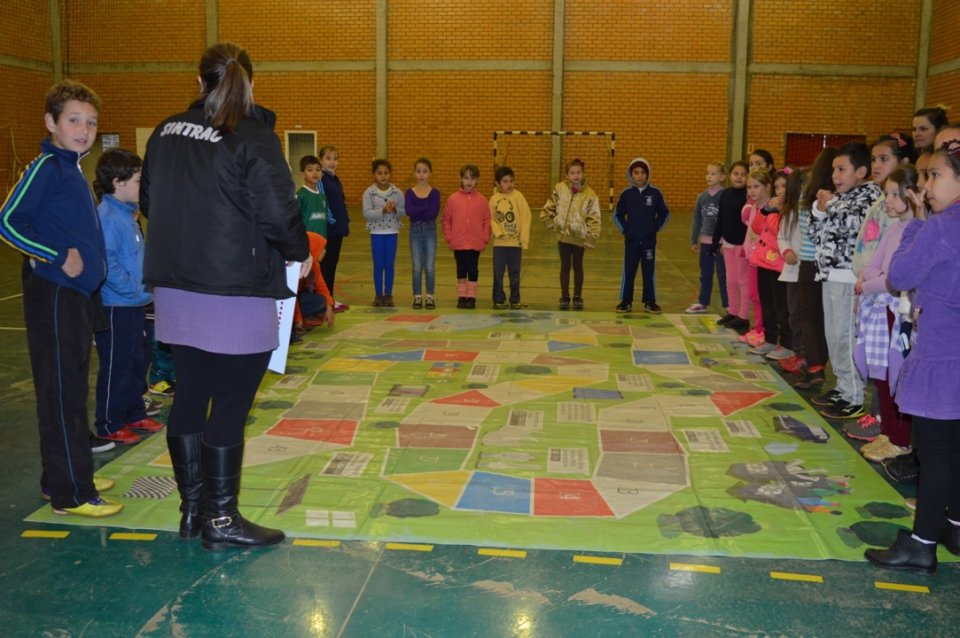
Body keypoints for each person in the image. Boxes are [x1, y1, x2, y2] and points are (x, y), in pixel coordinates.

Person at [141, 42, 311, 549]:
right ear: (250, 84)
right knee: (232, 403)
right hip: (235, 288)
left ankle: (193, 510)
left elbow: (149, 199)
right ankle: (221, 520)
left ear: (198, 83)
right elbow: (278, 211)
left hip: (176, 287)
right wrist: (299, 252)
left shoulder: (165, 132)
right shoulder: (252, 135)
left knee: (191, 394)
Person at [0, 80, 121, 517]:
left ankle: (61, 477)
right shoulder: (48, 167)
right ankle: (73, 493)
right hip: (54, 295)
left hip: (76, 297)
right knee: (62, 393)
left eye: (91, 122)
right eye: (74, 120)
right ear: (51, 122)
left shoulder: (71, 168)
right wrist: (55, 256)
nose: (84, 129)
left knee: (68, 389)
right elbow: (8, 221)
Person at [864, 142, 960, 575]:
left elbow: (900, 275)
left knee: (935, 453)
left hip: (941, 355)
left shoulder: (940, 227)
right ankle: (955, 525)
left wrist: (918, 223)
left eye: (935, 175)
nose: (925, 185)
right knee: (955, 449)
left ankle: (921, 545)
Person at [92, 149, 165, 446]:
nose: (142, 186)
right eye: (138, 180)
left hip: (136, 303)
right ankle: (109, 423)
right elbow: (107, 263)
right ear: (117, 182)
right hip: (116, 306)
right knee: (117, 366)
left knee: (138, 361)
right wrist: (133, 288)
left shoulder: (126, 215)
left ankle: (134, 413)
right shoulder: (108, 217)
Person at [847, 166, 918, 461]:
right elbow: (874, 266)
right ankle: (888, 433)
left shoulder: (917, 229)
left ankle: (900, 439)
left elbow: (894, 279)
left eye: (893, 195)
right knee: (881, 375)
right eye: (886, 193)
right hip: (881, 309)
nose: (886, 200)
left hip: (898, 311)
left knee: (896, 375)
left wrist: (868, 285)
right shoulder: (893, 228)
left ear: (911, 196)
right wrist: (870, 280)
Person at [809, 142, 883, 420]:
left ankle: (854, 396)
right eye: (834, 170)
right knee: (833, 337)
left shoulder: (870, 195)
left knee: (846, 338)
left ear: (861, 172)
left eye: (842, 170)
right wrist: (819, 211)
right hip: (829, 275)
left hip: (849, 277)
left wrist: (829, 205)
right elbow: (816, 235)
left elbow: (851, 223)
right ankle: (842, 387)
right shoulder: (841, 198)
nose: (835, 176)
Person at [791, 148, 837, 390]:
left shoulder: (808, 195)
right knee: (826, 317)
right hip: (831, 266)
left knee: (808, 317)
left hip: (810, 263)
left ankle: (815, 367)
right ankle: (820, 364)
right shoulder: (839, 196)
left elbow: (808, 231)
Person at [541, 159, 601, 310]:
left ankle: (578, 296)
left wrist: (591, 237)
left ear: (583, 173)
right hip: (563, 237)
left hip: (580, 238)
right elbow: (550, 205)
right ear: (567, 175)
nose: (576, 175)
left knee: (578, 266)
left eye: (578, 172)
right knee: (565, 266)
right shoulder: (559, 188)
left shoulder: (590, 195)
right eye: (572, 173)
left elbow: (594, 217)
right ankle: (565, 296)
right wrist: (549, 221)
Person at [747, 169, 793, 361]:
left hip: (779, 265)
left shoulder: (791, 210)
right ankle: (770, 338)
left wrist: (774, 212)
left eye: (784, 186)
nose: (780, 191)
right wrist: (766, 210)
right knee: (767, 304)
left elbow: (778, 230)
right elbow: (756, 227)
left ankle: (788, 344)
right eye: (777, 187)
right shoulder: (771, 208)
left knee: (781, 306)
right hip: (763, 263)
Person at [614, 157, 668, 313]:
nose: (639, 176)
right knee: (629, 271)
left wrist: (654, 228)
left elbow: (664, 213)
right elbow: (617, 215)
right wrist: (626, 230)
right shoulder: (626, 194)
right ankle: (626, 300)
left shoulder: (655, 193)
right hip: (631, 242)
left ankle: (650, 301)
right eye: (636, 172)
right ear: (631, 175)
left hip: (648, 242)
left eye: (643, 172)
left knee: (649, 272)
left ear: (648, 174)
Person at [443, 164, 490, 309]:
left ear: (477, 180)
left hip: (475, 242)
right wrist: (449, 237)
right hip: (458, 242)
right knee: (461, 269)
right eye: (466, 178)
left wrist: (485, 237)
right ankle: (462, 296)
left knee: (473, 269)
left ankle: (472, 297)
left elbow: (487, 220)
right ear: (460, 179)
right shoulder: (452, 199)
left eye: (473, 178)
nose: (469, 181)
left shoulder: (482, 200)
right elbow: (446, 220)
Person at [712, 161, 751, 333]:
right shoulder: (725, 194)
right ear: (729, 176)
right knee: (730, 280)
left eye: (743, 174)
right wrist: (716, 241)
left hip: (742, 246)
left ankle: (743, 316)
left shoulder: (748, 197)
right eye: (736, 173)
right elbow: (720, 219)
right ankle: (733, 311)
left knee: (743, 281)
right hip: (728, 244)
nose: (739, 177)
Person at [686, 162, 728, 315]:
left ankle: (728, 304)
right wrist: (693, 239)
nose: (709, 176)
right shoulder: (702, 197)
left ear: (722, 177)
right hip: (705, 242)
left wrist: (727, 240)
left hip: (721, 243)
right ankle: (703, 302)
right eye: (707, 173)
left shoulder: (725, 195)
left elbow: (729, 219)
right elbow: (697, 220)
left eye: (713, 174)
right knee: (705, 274)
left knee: (723, 274)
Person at [362, 158, 404, 307]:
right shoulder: (369, 193)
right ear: (374, 174)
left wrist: (395, 210)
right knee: (378, 265)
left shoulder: (397, 193)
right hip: (376, 233)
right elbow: (366, 213)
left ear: (390, 174)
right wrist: (382, 211)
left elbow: (404, 212)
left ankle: (389, 295)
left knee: (389, 265)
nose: (383, 176)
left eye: (386, 173)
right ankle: (378, 294)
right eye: (379, 173)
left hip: (392, 232)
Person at [489, 166, 532, 309]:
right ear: (497, 183)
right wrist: (497, 232)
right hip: (499, 244)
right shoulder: (493, 200)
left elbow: (526, 217)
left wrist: (524, 240)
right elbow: (490, 218)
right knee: (498, 273)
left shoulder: (518, 196)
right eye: (505, 181)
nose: (509, 184)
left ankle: (515, 298)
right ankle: (498, 298)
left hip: (515, 244)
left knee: (515, 273)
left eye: (511, 181)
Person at [405, 157, 440, 309]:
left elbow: (433, 213)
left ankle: (430, 296)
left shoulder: (435, 193)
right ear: (414, 173)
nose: (421, 174)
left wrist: (418, 211)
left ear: (430, 173)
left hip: (430, 231)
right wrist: (424, 209)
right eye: (418, 171)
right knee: (417, 266)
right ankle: (417, 296)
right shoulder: (409, 193)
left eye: (425, 171)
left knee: (430, 266)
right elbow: (409, 211)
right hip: (415, 231)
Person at [318, 145, 350, 312]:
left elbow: (340, 202)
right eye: (328, 158)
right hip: (329, 230)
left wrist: (345, 220)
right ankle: (325, 300)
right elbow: (324, 204)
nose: (332, 162)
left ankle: (329, 297)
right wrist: (333, 221)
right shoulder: (322, 179)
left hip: (338, 230)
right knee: (326, 266)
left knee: (332, 264)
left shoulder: (335, 179)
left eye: (335, 159)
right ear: (321, 161)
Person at [297, 154, 329, 238]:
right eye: (310, 170)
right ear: (303, 175)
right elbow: (294, 221)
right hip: (305, 241)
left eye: (318, 170)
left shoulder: (322, 196)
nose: (315, 173)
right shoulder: (301, 195)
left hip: (321, 240)